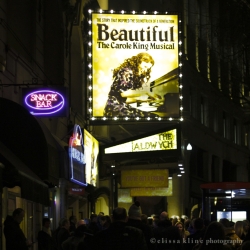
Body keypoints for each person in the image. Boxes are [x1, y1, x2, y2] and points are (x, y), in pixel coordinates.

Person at [104, 52, 161, 117]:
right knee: (153, 117)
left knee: (152, 116)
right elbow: (124, 93)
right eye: (145, 66)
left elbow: (121, 98)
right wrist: (146, 92)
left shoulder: (132, 73)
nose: (145, 70)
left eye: (147, 68)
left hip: (116, 107)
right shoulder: (127, 71)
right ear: (138, 62)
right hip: (114, 109)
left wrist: (142, 100)